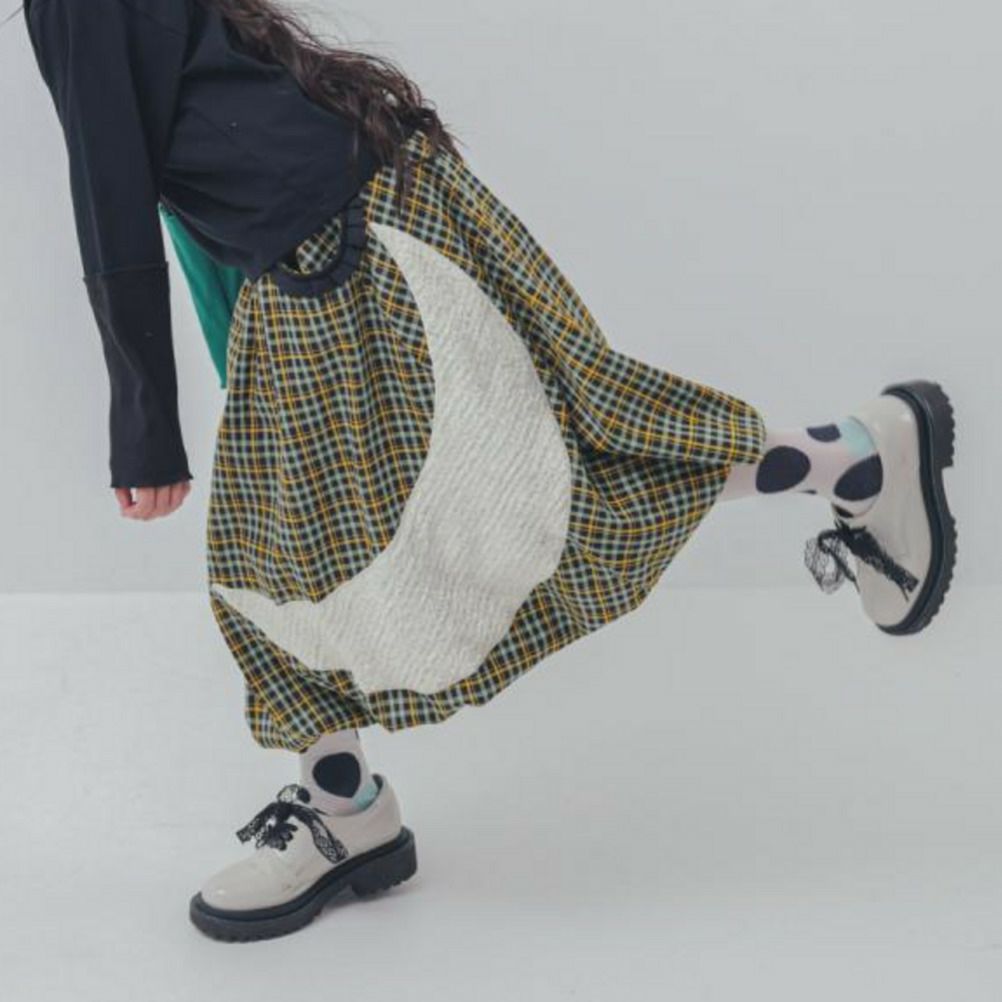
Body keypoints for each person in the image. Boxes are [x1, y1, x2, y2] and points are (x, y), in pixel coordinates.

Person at [21, 0, 957, 942]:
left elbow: (113, 198)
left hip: (337, 245)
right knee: (372, 532)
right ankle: (854, 463)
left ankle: (854, 459)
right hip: (356, 215)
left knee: (403, 533)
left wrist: (145, 428)